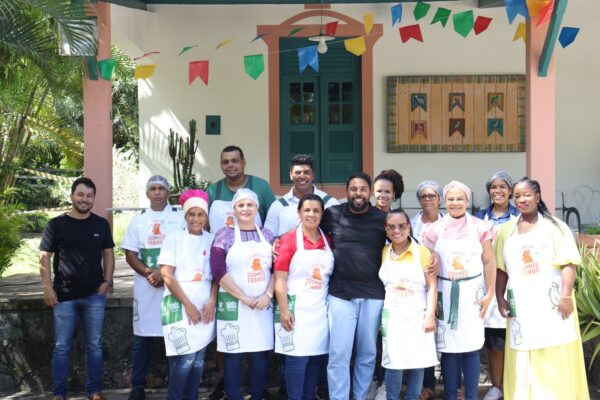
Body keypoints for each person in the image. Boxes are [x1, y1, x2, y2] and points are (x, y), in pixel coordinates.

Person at [495, 177, 589, 399]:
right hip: (521, 304)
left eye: (527, 195)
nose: (522, 200)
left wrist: (566, 297)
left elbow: (568, 263)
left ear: (538, 196)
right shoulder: (506, 230)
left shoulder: (556, 227)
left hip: (552, 304)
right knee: (523, 351)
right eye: (517, 196)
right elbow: (501, 269)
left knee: (553, 351)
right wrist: (499, 297)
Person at [39, 177, 115, 400]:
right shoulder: (56, 225)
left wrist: (107, 281)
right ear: (72, 196)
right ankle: (59, 393)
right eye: (80, 195)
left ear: (93, 199)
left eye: (89, 196)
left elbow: (108, 253)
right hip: (63, 297)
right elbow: (44, 257)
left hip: (94, 296)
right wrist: (47, 288)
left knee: (95, 346)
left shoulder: (101, 224)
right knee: (62, 347)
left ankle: (94, 391)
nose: (85, 199)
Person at [421, 181, 496, 400]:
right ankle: (451, 395)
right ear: (445, 201)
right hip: (445, 291)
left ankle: (471, 396)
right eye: (451, 199)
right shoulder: (434, 229)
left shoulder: (481, 227)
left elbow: (489, 261)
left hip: (473, 292)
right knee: (448, 347)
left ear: (467, 200)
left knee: (471, 346)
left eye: (460, 199)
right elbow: (428, 265)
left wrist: (490, 292)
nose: (455, 203)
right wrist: (431, 302)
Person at [320, 172, 387, 400]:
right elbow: (309, 230)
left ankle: (360, 397)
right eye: (353, 189)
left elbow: (405, 240)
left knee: (367, 353)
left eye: (362, 189)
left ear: (369, 192)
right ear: (346, 191)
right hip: (341, 294)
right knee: (339, 353)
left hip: (373, 294)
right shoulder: (332, 214)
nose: (358, 194)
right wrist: (280, 240)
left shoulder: (381, 218)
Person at [121, 175, 185, 400]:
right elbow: (130, 253)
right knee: (142, 338)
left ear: (168, 192)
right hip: (145, 288)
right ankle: (138, 386)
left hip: (171, 286)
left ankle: (174, 386)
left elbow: (185, 250)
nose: (157, 192)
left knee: (172, 335)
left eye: (161, 188)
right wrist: (150, 273)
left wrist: (163, 274)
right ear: (147, 193)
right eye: (153, 189)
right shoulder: (138, 221)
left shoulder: (179, 218)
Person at [210, 188, 276, 400]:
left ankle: (257, 395)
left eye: (250, 205)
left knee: (259, 355)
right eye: (241, 205)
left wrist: (267, 294)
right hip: (234, 305)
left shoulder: (268, 236)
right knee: (233, 355)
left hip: (262, 305)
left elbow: (277, 269)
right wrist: (244, 297)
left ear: (257, 208)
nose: (245, 209)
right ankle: (233, 396)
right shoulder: (223, 235)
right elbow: (218, 271)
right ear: (234, 209)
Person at [158, 189, 217, 400]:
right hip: (179, 303)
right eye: (191, 214)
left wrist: (212, 300)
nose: (196, 219)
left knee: (199, 359)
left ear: (206, 217)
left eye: (200, 214)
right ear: (185, 216)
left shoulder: (212, 240)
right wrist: (188, 305)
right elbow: (166, 274)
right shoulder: (173, 238)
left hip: (205, 304)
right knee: (184, 358)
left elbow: (218, 275)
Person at [274, 194, 334, 400]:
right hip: (294, 310)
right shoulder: (289, 239)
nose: (311, 214)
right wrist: (284, 310)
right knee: (296, 360)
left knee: (316, 360)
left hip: (320, 312)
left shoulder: (328, 240)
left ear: (322, 214)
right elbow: (279, 278)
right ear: (299, 213)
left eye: (316, 210)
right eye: (307, 210)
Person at [379, 209, 438, 400]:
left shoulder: (421, 251)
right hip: (393, 317)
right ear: (386, 229)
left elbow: (432, 285)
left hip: (417, 316)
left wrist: (430, 314)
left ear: (408, 227)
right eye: (391, 226)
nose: (397, 230)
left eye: (401, 226)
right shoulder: (383, 252)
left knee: (418, 362)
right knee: (393, 365)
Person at [474, 171, 519, 400]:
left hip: (517, 281)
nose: (497, 191)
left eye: (502, 186)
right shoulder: (479, 216)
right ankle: (497, 386)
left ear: (510, 191)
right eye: (493, 187)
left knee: (517, 333)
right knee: (495, 338)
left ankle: (517, 383)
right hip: (487, 281)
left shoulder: (521, 215)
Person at [207, 145, 276, 233]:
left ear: (243, 162)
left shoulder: (262, 187)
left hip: (255, 245)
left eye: (235, 161)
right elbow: (204, 225)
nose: (230, 165)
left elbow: (273, 221)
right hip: (218, 245)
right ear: (221, 165)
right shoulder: (213, 191)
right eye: (225, 162)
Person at [264, 154, 338, 237]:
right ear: (291, 175)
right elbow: (268, 237)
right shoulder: (278, 206)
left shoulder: (329, 203)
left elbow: (338, 234)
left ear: (313, 175)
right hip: (288, 249)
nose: (302, 176)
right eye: (297, 173)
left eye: (306, 172)